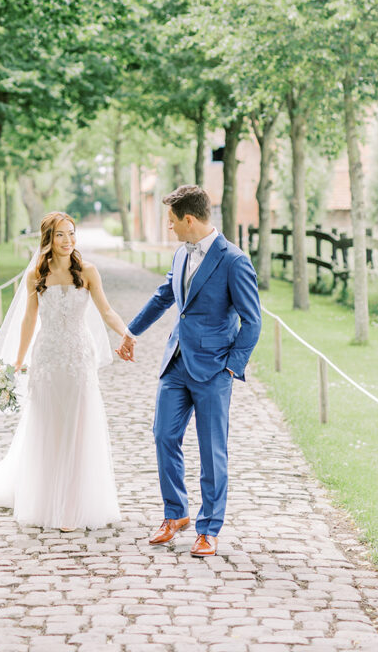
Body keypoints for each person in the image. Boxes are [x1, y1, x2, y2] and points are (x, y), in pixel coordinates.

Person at [0, 211, 127, 531]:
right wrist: (17, 362)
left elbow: (106, 310)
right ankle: (48, 499)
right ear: (48, 240)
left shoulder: (89, 272)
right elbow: (27, 320)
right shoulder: (37, 273)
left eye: (72, 233)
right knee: (49, 426)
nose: (68, 241)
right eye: (61, 235)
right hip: (48, 359)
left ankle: (75, 503)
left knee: (78, 426)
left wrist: (126, 333)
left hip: (79, 359)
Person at [117, 185, 261, 557]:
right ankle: (174, 513)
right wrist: (130, 332)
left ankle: (208, 528)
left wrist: (232, 367)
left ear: (189, 219)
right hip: (176, 363)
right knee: (163, 435)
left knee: (213, 451)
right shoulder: (181, 254)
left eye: (171, 222)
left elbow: (253, 322)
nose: (170, 228)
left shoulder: (234, 260)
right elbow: (164, 296)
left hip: (214, 370)